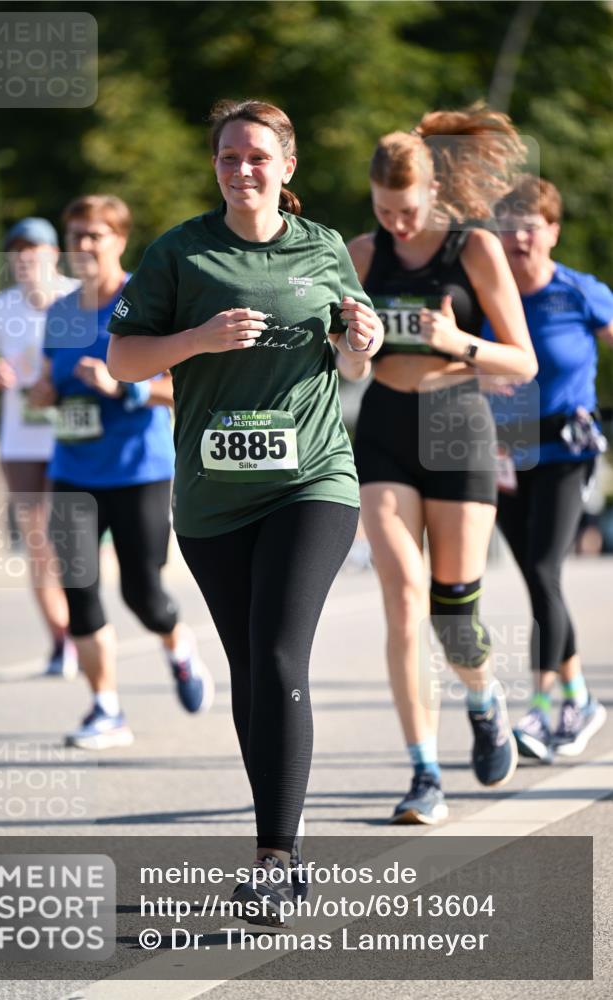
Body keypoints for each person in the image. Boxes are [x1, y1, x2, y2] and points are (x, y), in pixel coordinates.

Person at [107, 99, 382, 924]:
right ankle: (277, 843)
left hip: (312, 481)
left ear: (286, 166)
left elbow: (352, 364)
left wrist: (359, 345)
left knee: (277, 652)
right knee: (250, 670)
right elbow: (122, 359)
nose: (242, 170)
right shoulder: (180, 251)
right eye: (228, 156)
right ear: (215, 166)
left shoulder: (323, 248)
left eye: (257, 156)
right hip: (213, 499)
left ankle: (276, 857)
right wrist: (196, 340)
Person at [341, 106, 538, 825]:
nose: (396, 223)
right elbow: (348, 367)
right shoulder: (362, 254)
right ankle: (424, 771)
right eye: (383, 210)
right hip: (385, 428)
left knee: (452, 613)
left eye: (407, 209)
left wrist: (459, 343)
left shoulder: (473, 247)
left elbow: (522, 360)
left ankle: (484, 700)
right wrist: (354, 346)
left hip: (457, 424)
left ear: (432, 191)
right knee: (401, 597)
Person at [28, 194, 213, 750]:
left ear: (120, 240)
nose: (83, 245)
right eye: (76, 235)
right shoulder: (60, 313)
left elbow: (183, 386)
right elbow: (47, 382)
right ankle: (106, 708)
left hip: (139, 470)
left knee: (143, 593)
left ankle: (177, 643)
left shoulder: (146, 298)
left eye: (96, 235)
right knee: (79, 589)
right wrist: (42, 392)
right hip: (73, 468)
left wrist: (122, 386)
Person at [483, 175, 612, 762]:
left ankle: (540, 707)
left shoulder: (580, 292)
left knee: (542, 569)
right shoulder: (489, 294)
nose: (518, 238)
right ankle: (579, 697)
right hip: (507, 454)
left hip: (568, 452)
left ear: (553, 232)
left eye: (530, 226)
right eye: (507, 227)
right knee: (540, 579)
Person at [0, 218, 79, 679]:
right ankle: (62, 640)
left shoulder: (80, 298)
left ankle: (85, 627)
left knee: (71, 542)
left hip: (75, 437)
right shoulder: (1, 308)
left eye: (35, 248)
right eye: (18, 250)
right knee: (38, 542)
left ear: (54, 255)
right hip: (22, 443)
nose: (25, 257)